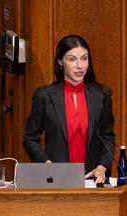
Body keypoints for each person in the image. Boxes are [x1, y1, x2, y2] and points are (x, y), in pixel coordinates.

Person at [23, 35, 115, 184]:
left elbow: (108, 137)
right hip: (55, 178)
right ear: (60, 61)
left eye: (84, 58)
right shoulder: (44, 96)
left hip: (90, 179)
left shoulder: (101, 95)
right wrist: (46, 164)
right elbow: (30, 139)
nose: (80, 65)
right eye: (72, 59)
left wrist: (102, 166)